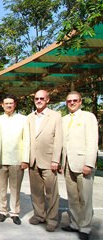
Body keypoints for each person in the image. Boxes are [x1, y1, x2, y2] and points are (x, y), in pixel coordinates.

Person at [61, 91, 98, 240]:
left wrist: (89, 163)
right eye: (69, 101)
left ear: (80, 101)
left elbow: (92, 141)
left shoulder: (88, 117)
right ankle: (75, 223)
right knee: (73, 197)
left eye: (75, 100)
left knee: (85, 198)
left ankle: (85, 227)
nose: (72, 103)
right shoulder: (63, 119)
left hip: (83, 164)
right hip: (68, 164)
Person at [24, 90, 62, 232]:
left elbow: (59, 140)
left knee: (51, 192)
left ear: (47, 100)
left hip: (49, 160)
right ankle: (39, 215)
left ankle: (52, 219)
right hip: (33, 160)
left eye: (41, 98)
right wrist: (26, 159)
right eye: (36, 98)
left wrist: (56, 160)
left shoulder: (56, 116)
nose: (38, 100)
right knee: (36, 191)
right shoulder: (30, 117)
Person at [0, 94, 30, 225]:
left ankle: (14, 212)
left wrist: (25, 159)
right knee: (1, 188)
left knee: (15, 188)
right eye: (6, 103)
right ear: (2, 105)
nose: (8, 105)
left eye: (11, 103)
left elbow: (27, 140)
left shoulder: (23, 119)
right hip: (1, 160)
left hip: (17, 160)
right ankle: (2, 211)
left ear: (15, 104)